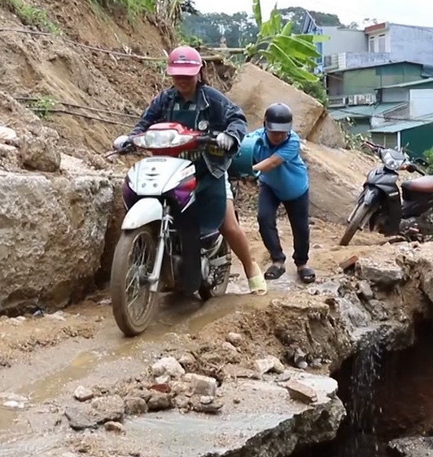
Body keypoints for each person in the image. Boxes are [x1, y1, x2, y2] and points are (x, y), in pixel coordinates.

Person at [113, 46, 267, 295]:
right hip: (170, 173)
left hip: (207, 170)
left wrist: (229, 136)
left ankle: (251, 269)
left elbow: (237, 118)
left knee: (227, 225)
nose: (182, 80)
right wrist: (130, 138)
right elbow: (145, 123)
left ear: (200, 72)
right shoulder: (164, 99)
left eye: (188, 74)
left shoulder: (213, 99)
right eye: (177, 75)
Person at [248, 102, 315, 284]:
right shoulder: (255, 138)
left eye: (282, 131)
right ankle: (277, 260)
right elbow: (241, 149)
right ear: (265, 125)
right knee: (264, 219)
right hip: (269, 186)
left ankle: (302, 264)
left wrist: (249, 169)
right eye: (274, 131)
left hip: (296, 189)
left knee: (300, 227)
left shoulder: (293, 141)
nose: (278, 136)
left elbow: (272, 162)